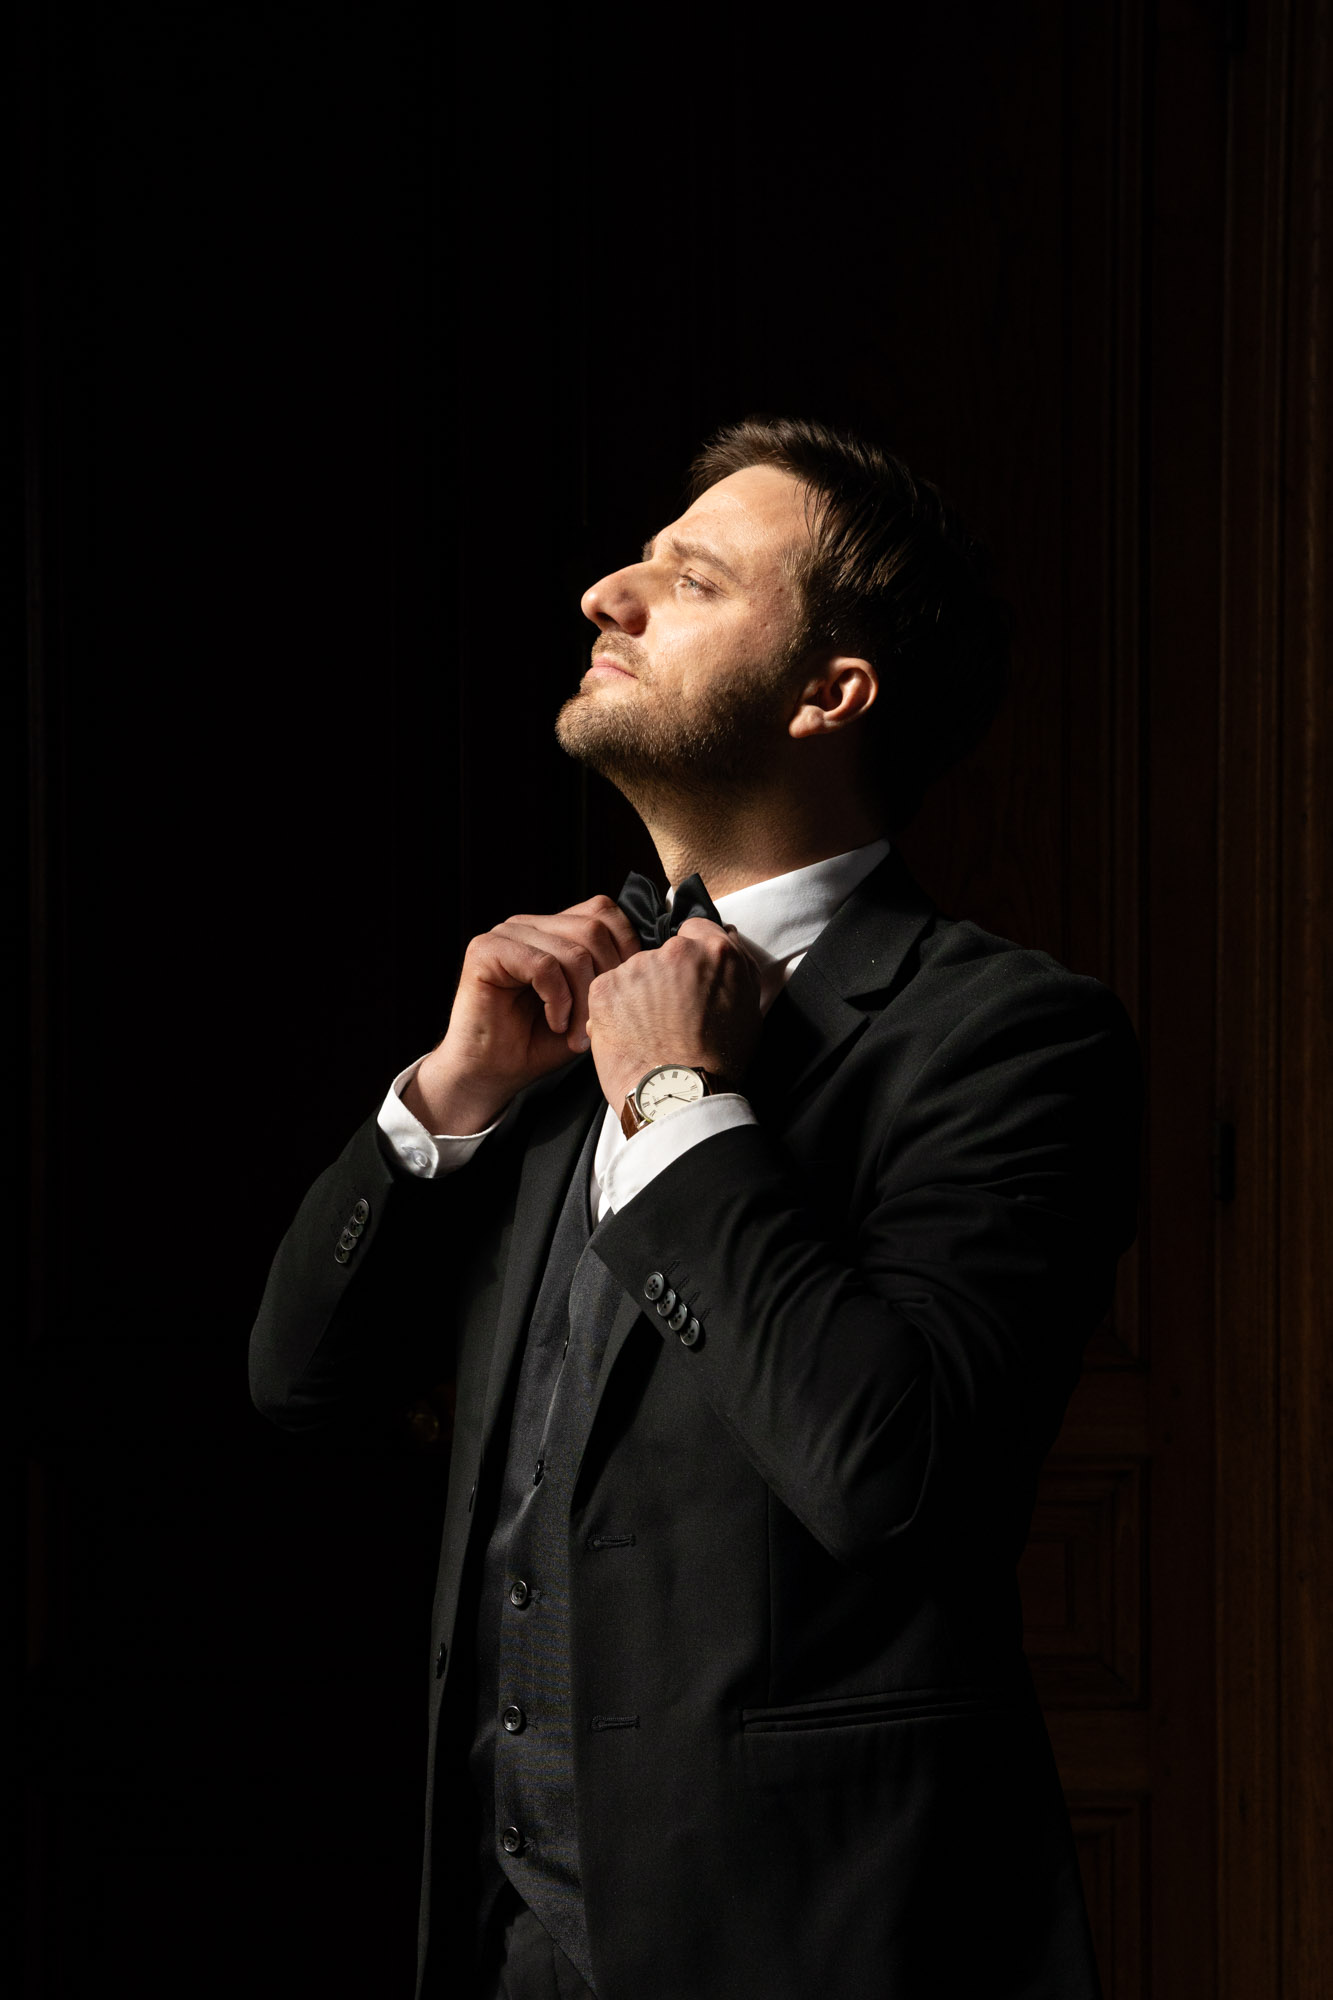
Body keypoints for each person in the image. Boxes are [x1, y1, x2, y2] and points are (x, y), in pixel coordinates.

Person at [250, 415, 1141, 2000]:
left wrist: (676, 1103)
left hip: (808, 1948)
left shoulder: (1010, 1037)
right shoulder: (548, 1020)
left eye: (692, 579)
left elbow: (890, 1478)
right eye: (636, 564)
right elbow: (300, 1387)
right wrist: (450, 1094)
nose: (606, 593)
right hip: (501, 1946)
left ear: (827, 694)